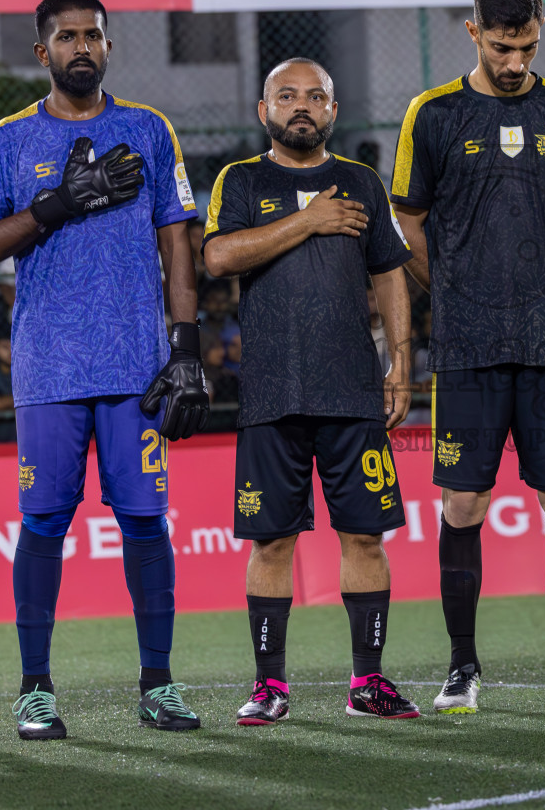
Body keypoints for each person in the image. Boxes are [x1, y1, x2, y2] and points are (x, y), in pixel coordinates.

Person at [0, 0, 210, 739]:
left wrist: (186, 345)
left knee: (145, 523)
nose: (80, 47)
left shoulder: (148, 129)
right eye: (65, 37)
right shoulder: (7, 139)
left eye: (92, 36)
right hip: (49, 368)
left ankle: (158, 684)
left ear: (108, 46)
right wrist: (54, 206)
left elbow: (177, 240)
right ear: (42, 52)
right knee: (42, 522)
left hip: (137, 366)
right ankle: (35, 689)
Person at [391, 0, 545, 712]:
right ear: (472, 34)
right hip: (466, 346)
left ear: (539, 31)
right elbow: (409, 222)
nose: (515, 60)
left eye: (525, 45)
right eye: (501, 46)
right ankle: (462, 667)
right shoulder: (432, 114)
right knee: (464, 503)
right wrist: (458, 288)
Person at [206, 57, 420, 723]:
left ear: (333, 110)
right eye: (287, 95)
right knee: (272, 544)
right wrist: (308, 221)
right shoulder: (239, 180)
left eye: (316, 97)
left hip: (354, 391)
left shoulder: (358, 182)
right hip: (270, 394)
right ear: (262, 110)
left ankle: (368, 683)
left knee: (364, 537)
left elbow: (390, 272)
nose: (302, 106)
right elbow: (217, 258)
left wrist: (402, 363)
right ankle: (270, 687)